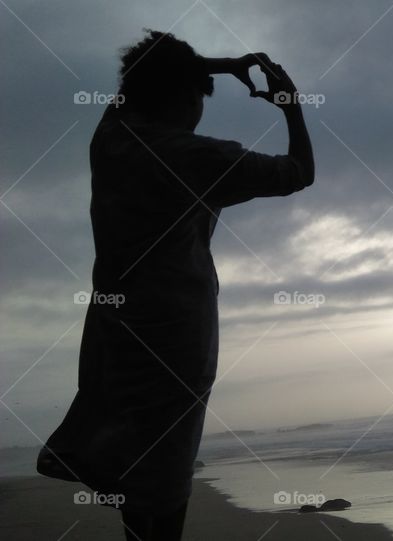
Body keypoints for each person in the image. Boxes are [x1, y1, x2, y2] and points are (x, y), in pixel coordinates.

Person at [36, 29, 314, 540]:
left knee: (134, 473)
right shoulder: (197, 158)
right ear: (187, 96)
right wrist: (290, 106)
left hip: (113, 334)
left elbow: (133, 84)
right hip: (175, 338)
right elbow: (299, 171)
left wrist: (215, 65)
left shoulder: (112, 139)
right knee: (164, 477)